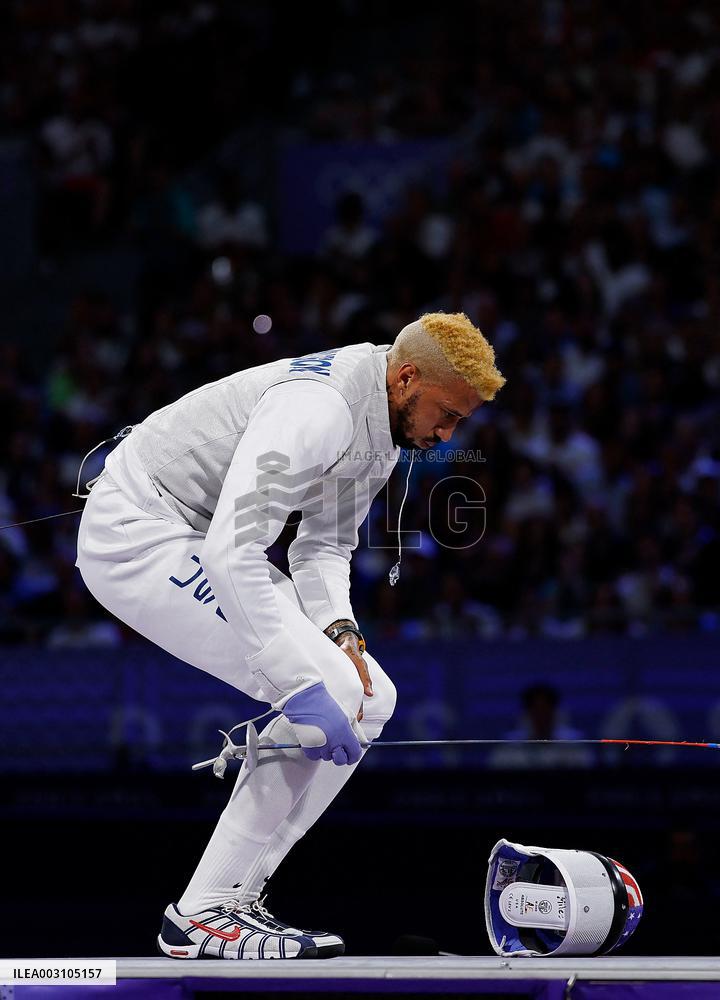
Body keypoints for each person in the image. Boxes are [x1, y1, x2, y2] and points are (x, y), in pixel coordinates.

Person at [75, 312, 505, 960]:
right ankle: (202, 914)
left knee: (369, 697)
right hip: (136, 531)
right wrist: (301, 684)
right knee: (325, 690)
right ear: (407, 376)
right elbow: (231, 551)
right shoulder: (321, 409)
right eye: (447, 414)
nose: (447, 435)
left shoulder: (382, 429)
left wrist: (342, 633)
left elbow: (323, 546)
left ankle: (235, 897)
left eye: (459, 423)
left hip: (197, 533)